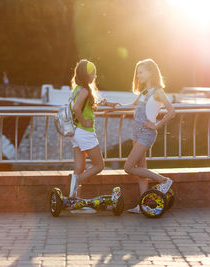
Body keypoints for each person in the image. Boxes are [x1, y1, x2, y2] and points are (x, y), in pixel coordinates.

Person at [124, 59, 176, 214]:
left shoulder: (158, 92)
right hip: (137, 132)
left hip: (147, 134)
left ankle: (164, 180)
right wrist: (112, 106)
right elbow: (132, 106)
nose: (138, 76)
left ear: (151, 72)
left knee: (128, 167)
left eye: (141, 72)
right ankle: (143, 205)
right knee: (141, 169)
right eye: (138, 73)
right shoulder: (144, 92)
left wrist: (156, 125)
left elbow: (172, 111)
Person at [69, 59, 119, 202]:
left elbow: (88, 104)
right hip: (84, 132)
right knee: (99, 165)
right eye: (93, 73)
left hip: (75, 132)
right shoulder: (85, 90)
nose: (95, 76)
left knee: (79, 167)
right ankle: (76, 182)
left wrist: (106, 103)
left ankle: (74, 199)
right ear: (87, 74)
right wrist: (84, 121)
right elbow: (76, 108)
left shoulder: (78, 89)